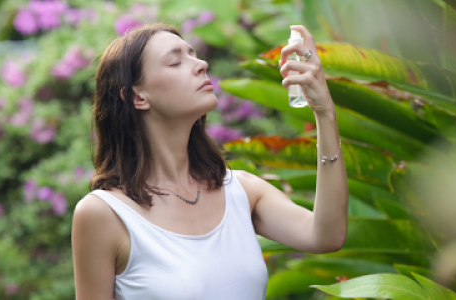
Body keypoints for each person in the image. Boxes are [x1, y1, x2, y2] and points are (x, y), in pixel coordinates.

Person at [71, 23, 348, 300]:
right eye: (176, 61)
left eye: (194, 55)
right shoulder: (104, 215)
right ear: (137, 96)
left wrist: (325, 113)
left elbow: (326, 236)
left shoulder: (243, 191)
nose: (201, 64)